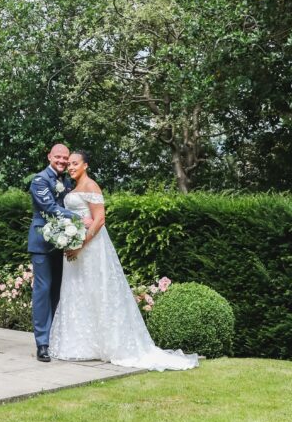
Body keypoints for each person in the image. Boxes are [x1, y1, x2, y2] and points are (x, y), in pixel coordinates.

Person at [48, 150, 198, 370]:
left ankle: (109, 344)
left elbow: (99, 220)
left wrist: (80, 245)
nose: (70, 167)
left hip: (90, 248)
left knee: (98, 291)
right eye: (69, 164)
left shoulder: (91, 186)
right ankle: (82, 345)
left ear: (85, 165)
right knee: (78, 290)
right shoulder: (73, 188)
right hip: (74, 247)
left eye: (75, 163)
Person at [28, 143, 92, 363]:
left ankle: (54, 338)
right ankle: (42, 344)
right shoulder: (39, 180)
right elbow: (50, 208)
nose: (62, 161)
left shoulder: (66, 181)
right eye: (58, 157)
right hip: (42, 244)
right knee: (43, 290)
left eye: (65, 158)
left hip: (61, 243)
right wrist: (78, 219)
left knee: (58, 290)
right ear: (49, 157)